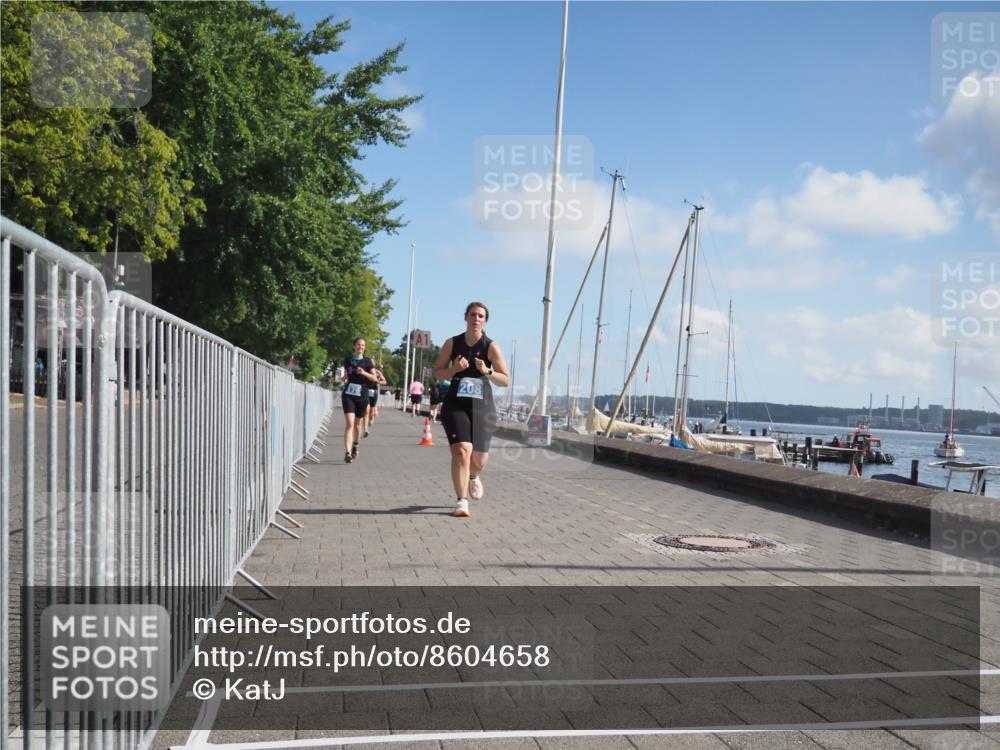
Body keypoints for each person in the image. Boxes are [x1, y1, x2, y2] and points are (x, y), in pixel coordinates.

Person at [433, 302, 510, 518]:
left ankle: (473, 476)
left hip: (482, 406)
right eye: (473, 314)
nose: (476, 318)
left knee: (479, 460)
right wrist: (454, 369)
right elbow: (437, 373)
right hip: (456, 404)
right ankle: (461, 501)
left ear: (485, 321)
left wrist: (487, 371)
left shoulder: (490, 346)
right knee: (461, 451)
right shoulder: (452, 343)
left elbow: (505, 380)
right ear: (465, 317)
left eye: (481, 316)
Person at [341, 338, 379, 463]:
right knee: (350, 423)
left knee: (357, 425)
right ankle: (347, 453)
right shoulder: (348, 360)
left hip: (362, 394)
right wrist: (344, 379)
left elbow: (374, 378)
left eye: (363, 345)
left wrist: (364, 373)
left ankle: (355, 445)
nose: (360, 347)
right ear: (354, 346)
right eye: (358, 344)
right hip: (348, 393)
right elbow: (347, 374)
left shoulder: (367, 361)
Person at [363, 363, 387, 437]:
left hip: (374, 391)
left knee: (371, 410)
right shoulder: (365, 370)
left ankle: (371, 418)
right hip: (366, 390)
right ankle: (365, 430)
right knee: (366, 410)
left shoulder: (377, 372)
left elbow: (385, 382)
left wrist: (378, 381)